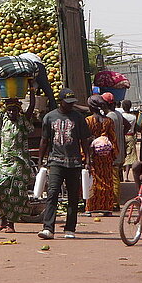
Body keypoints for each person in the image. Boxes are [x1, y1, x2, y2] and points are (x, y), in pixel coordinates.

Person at [38, 89, 92, 240]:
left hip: (74, 163)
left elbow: (84, 141)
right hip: (56, 161)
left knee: (73, 196)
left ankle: (70, 228)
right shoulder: (49, 117)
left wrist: (87, 160)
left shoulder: (78, 118)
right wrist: (40, 160)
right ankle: (48, 228)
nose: (70, 106)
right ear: (60, 102)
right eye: (67, 103)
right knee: (52, 193)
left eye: (72, 103)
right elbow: (44, 140)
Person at [0, 81, 36, 233]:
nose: (12, 113)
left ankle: (11, 224)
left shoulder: (22, 121)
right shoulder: (2, 121)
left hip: (19, 164)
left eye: (15, 110)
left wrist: (31, 87)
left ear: (19, 111)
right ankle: (2, 220)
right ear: (6, 111)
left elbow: (32, 106)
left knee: (15, 193)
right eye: (10, 110)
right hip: (4, 163)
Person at [83, 95, 118, 215]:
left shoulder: (88, 121)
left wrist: (85, 158)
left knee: (92, 181)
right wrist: (113, 154)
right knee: (107, 180)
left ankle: (90, 208)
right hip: (106, 156)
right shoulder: (108, 121)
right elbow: (113, 139)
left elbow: (84, 140)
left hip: (92, 156)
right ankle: (107, 208)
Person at [102, 92, 127, 208]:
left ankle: (115, 202)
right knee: (115, 176)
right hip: (119, 149)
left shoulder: (110, 116)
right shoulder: (118, 114)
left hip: (114, 152)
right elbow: (126, 125)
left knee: (114, 177)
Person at [120, 99, 138, 182]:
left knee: (121, 155)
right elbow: (135, 128)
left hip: (121, 137)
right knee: (129, 157)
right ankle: (126, 176)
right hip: (130, 137)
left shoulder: (120, 116)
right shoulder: (133, 117)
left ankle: (120, 176)